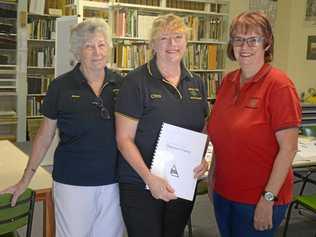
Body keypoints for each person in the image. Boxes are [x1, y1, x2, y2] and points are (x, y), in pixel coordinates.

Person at [0, 18, 124, 237]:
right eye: (89, 46)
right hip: (72, 183)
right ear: (78, 51)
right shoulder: (61, 86)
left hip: (113, 182)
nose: (97, 52)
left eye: (101, 44)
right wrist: (25, 180)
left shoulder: (122, 84)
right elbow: (45, 135)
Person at [207, 11, 301, 237]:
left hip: (258, 199)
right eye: (238, 39)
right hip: (223, 193)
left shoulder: (279, 86)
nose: (244, 46)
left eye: (253, 39)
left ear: (266, 43)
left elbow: (289, 149)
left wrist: (268, 199)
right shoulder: (228, 82)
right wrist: (212, 177)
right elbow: (222, 134)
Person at [115, 13, 209, 237]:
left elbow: (202, 128)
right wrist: (150, 178)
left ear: (186, 42)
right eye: (164, 38)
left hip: (182, 181)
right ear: (153, 44)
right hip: (140, 183)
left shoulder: (196, 82)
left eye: (178, 37)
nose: (172, 44)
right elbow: (123, 139)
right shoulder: (135, 82)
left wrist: (202, 157)